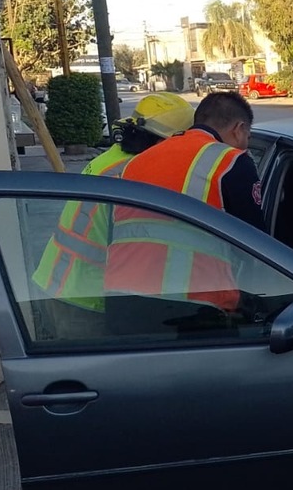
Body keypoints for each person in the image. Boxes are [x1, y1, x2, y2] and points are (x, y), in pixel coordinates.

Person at [102, 91, 264, 490]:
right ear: (237, 129)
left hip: (124, 308)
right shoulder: (229, 162)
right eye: (247, 136)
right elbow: (261, 246)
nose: (245, 144)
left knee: (156, 434)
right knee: (192, 436)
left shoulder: (141, 162)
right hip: (186, 312)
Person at [30, 93, 195, 339]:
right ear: (165, 140)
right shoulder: (137, 173)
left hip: (56, 280)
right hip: (86, 296)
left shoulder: (114, 157)